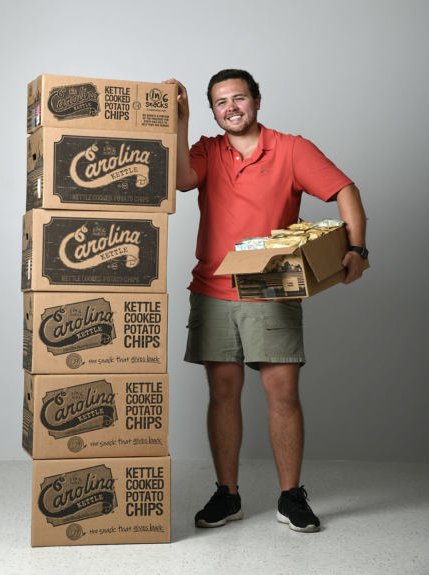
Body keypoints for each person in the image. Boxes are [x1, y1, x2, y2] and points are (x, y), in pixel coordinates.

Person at [162, 70, 367, 533]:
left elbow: (344, 189)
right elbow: (180, 180)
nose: (230, 108)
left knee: (283, 394)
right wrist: (183, 119)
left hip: (271, 287)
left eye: (238, 98)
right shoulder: (208, 149)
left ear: (256, 100)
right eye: (220, 103)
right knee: (223, 393)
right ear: (214, 111)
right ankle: (227, 495)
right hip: (213, 289)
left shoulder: (291, 148)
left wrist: (357, 248)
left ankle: (291, 497)